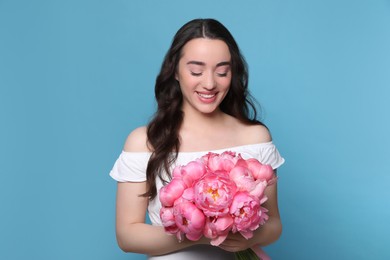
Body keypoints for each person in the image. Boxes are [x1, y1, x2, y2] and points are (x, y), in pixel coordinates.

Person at [110, 18, 285, 259]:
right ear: (175, 71)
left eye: (222, 71)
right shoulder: (144, 142)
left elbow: (274, 226)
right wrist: (205, 231)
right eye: (196, 71)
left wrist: (246, 233)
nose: (210, 83)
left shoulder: (255, 137)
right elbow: (127, 235)